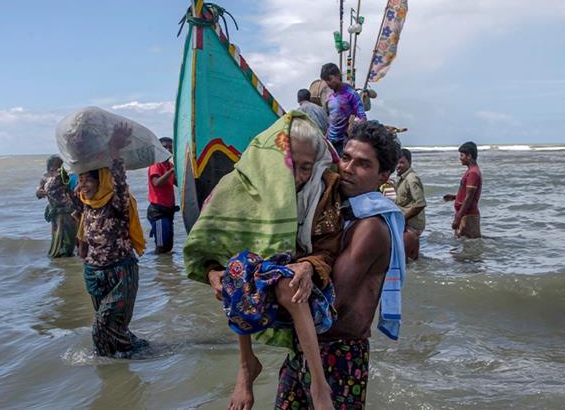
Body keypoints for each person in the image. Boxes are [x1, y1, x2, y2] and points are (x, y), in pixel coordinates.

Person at [183, 112, 342, 410]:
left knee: (286, 284)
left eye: (307, 167)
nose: (300, 176)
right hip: (251, 283)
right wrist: (211, 274)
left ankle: (319, 387)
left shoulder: (323, 189)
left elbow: (328, 247)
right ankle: (246, 365)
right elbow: (209, 245)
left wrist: (307, 265)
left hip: (302, 292)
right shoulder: (238, 185)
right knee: (235, 268)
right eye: (293, 165)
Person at [274, 120, 406, 409]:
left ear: (383, 175)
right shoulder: (336, 213)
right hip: (306, 348)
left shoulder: (371, 227)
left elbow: (328, 299)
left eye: (362, 164)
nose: (347, 168)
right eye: (345, 158)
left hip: (340, 355)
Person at [75, 123, 148, 357]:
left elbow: (119, 181)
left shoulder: (116, 203)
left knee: (100, 327)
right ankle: (123, 367)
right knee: (111, 328)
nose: (82, 185)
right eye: (80, 180)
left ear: (100, 181)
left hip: (120, 273)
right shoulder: (87, 206)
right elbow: (83, 234)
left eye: (87, 180)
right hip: (95, 274)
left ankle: (107, 365)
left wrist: (114, 150)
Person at [36, 155, 81, 257]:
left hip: (68, 211)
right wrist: (39, 192)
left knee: (71, 238)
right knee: (57, 238)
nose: (55, 171)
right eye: (52, 169)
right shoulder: (45, 177)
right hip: (55, 213)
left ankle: (71, 259)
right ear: (49, 168)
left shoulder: (66, 176)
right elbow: (38, 192)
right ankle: (61, 261)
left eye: (57, 168)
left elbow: (75, 187)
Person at [320, 63, 367, 155]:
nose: (328, 83)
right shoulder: (330, 97)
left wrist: (352, 127)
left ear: (338, 75)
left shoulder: (351, 94)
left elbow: (362, 118)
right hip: (330, 142)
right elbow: (331, 120)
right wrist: (325, 137)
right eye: (326, 81)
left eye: (330, 79)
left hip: (344, 143)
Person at [443, 141, 482, 238]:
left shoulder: (473, 173)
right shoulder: (472, 171)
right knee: (465, 246)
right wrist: (455, 197)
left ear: (469, 156)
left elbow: (469, 197)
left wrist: (458, 217)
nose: (460, 158)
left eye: (462, 155)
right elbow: (469, 195)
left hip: (468, 216)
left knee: (468, 247)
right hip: (466, 214)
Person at [147, 137, 178, 254]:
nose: (168, 149)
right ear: (159, 149)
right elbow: (157, 183)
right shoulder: (156, 164)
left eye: (170, 147)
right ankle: (158, 271)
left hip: (168, 211)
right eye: (164, 147)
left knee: (168, 246)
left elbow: (178, 183)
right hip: (158, 213)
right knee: (161, 246)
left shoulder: (169, 166)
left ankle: (166, 270)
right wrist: (171, 172)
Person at [395, 148, 426, 261]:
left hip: (411, 226)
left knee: (405, 261)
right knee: (413, 262)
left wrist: (402, 219)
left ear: (409, 162)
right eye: (396, 162)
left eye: (402, 162)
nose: (398, 165)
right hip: (408, 225)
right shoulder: (402, 179)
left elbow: (420, 204)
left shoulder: (411, 179)